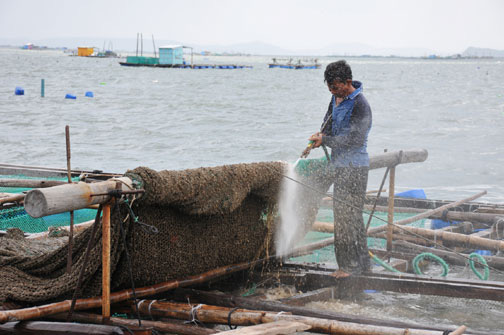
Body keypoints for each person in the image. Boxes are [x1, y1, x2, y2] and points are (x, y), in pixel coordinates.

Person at [308, 60, 372, 276]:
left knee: (346, 217)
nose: (332, 91)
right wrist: (320, 135)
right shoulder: (335, 98)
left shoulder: (361, 105)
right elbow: (328, 124)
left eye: (335, 87)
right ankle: (363, 265)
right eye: (329, 87)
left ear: (347, 82)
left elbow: (354, 139)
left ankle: (348, 267)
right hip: (339, 165)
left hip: (355, 167)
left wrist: (325, 141)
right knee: (350, 216)